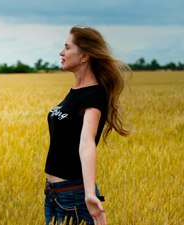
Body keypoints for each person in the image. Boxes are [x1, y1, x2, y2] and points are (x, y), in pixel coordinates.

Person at [44, 26, 131, 225]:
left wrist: (90, 194)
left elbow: (86, 143)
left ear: (83, 56)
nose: (61, 52)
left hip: (73, 197)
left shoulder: (94, 95)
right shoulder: (76, 90)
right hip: (54, 196)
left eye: (67, 47)